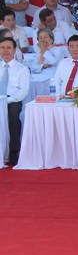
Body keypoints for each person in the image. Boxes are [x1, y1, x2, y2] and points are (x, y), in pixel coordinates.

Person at [0, 38, 29, 166]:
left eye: (9, 47)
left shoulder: (22, 69)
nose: (5, 50)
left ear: (15, 50)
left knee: (13, 116)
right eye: (2, 47)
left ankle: (14, 151)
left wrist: (6, 100)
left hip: (13, 100)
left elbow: (23, 92)